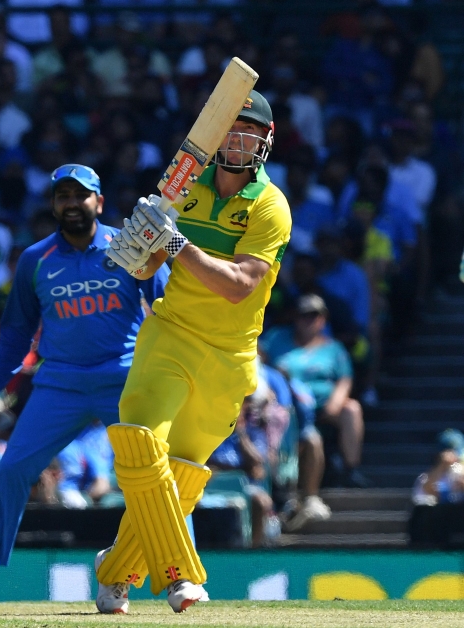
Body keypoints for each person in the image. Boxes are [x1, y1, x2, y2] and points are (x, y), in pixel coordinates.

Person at [0, 164, 168, 612]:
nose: (72, 204)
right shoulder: (35, 259)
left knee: (157, 476)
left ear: (99, 201)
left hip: (125, 378)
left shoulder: (129, 244)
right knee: (10, 472)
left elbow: (168, 306)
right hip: (60, 383)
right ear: (53, 204)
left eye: (82, 196)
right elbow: (16, 336)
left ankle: (174, 576)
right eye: (63, 196)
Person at [101, 90, 290, 612]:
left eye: (249, 131)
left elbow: (237, 286)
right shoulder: (184, 187)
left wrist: (176, 242)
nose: (236, 138)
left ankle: (116, 570)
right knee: (139, 443)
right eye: (231, 128)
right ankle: (181, 575)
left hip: (230, 356)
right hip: (172, 333)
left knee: (182, 474)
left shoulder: (270, 207)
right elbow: (143, 269)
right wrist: (138, 243)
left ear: (265, 140)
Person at [274, 295, 368, 488]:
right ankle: (283, 483)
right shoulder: (277, 338)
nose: (308, 320)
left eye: (314, 315)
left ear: (322, 319)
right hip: (287, 405)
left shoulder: (334, 348)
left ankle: (351, 470)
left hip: (323, 405)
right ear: (295, 317)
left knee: (352, 409)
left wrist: (335, 402)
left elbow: (345, 378)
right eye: (304, 315)